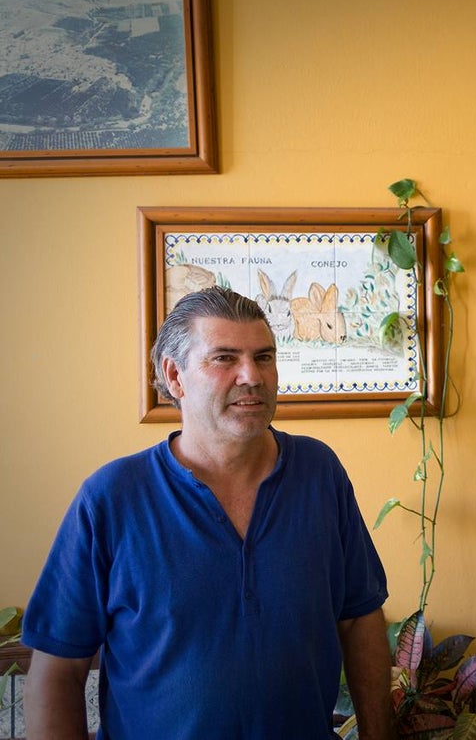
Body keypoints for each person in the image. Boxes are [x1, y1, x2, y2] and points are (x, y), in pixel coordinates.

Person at [21, 286, 394, 740]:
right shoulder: (112, 497)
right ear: (174, 376)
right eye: (224, 358)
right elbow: (58, 669)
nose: (251, 376)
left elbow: (359, 619)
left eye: (263, 357)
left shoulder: (320, 473)